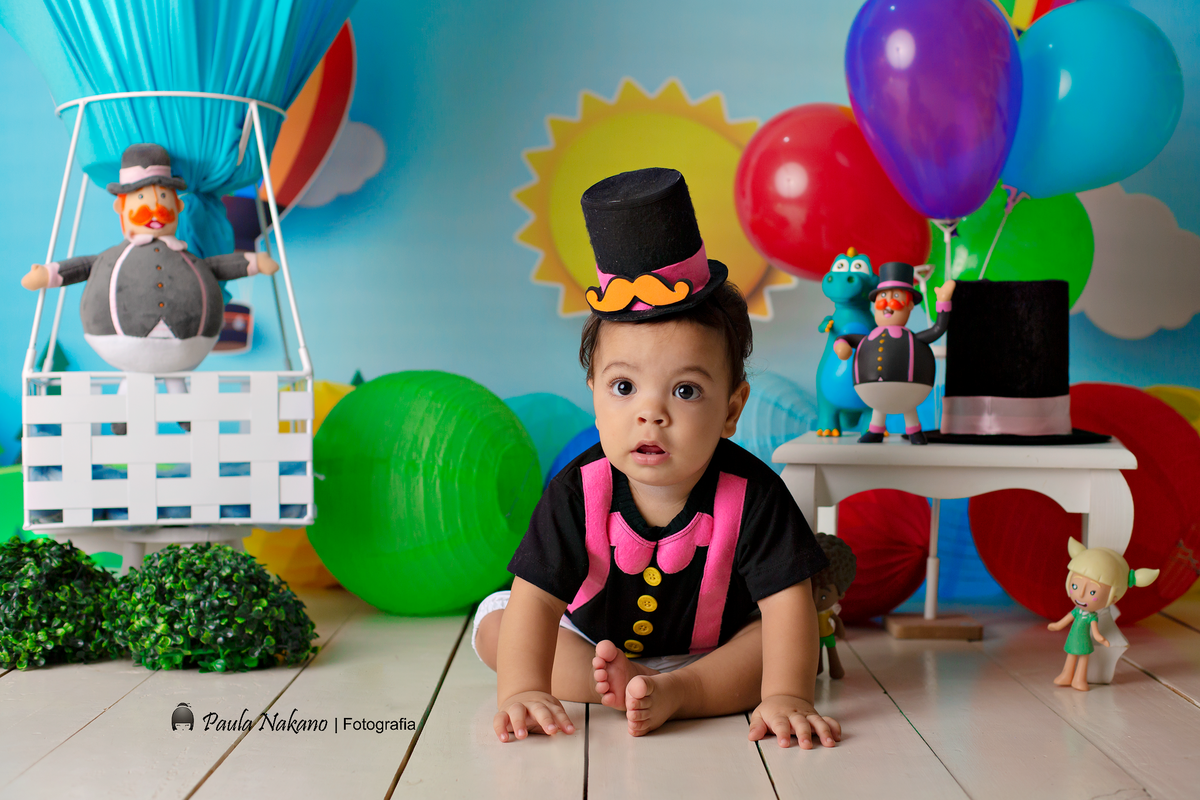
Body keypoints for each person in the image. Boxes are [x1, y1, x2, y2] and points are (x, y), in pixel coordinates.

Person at [473, 167, 837, 748]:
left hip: (714, 649)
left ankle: (681, 691)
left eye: (685, 390)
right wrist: (522, 689)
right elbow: (538, 599)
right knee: (502, 624)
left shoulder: (754, 494)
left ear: (732, 409)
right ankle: (625, 687)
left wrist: (787, 694)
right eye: (624, 387)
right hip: (593, 642)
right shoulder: (578, 490)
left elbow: (787, 601)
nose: (651, 414)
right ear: (594, 396)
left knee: (781, 640)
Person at [20, 143, 278, 430]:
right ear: (121, 207)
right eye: (141, 197)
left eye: (163, 198)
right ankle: (125, 419)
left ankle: (183, 414)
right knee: (136, 376)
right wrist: (48, 273)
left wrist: (253, 262)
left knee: (174, 376)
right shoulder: (111, 259)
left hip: (187, 344)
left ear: (178, 206)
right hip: (123, 342)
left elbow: (218, 266)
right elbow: (82, 267)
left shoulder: (191, 260)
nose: (154, 208)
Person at [832, 262, 954, 444]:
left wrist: (943, 301)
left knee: (908, 405)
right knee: (878, 406)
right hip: (871, 389)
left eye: (896, 296)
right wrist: (841, 346)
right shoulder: (868, 338)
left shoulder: (914, 339)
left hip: (910, 387)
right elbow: (845, 339)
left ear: (910, 305)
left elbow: (938, 328)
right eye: (883, 296)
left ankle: (914, 430)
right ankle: (876, 430)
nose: (888, 303)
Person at [1047, 538, 1158, 692]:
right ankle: (1066, 675)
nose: (1081, 595)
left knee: (1083, 658)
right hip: (1073, 638)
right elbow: (1066, 619)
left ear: (1113, 598)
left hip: (1084, 640)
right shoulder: (1078, 611)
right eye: (1075, 586)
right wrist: (1057, 625)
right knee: (1071, 655)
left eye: (1092, 592)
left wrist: (1101, 639)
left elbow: (1095, 630)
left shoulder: (1091, 616)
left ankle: (1079, 679)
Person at [811, 533, 856, 680]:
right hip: (815, 638)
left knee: (832, 652)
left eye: (823, 596)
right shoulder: (806, 612)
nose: (815, 600)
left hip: (828, 635)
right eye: (810, 592)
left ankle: (836, 670)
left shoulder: (829, 613)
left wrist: (840, 631)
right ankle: (818, 669)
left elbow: (837, 621)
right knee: (816, 653)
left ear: (840, 594)